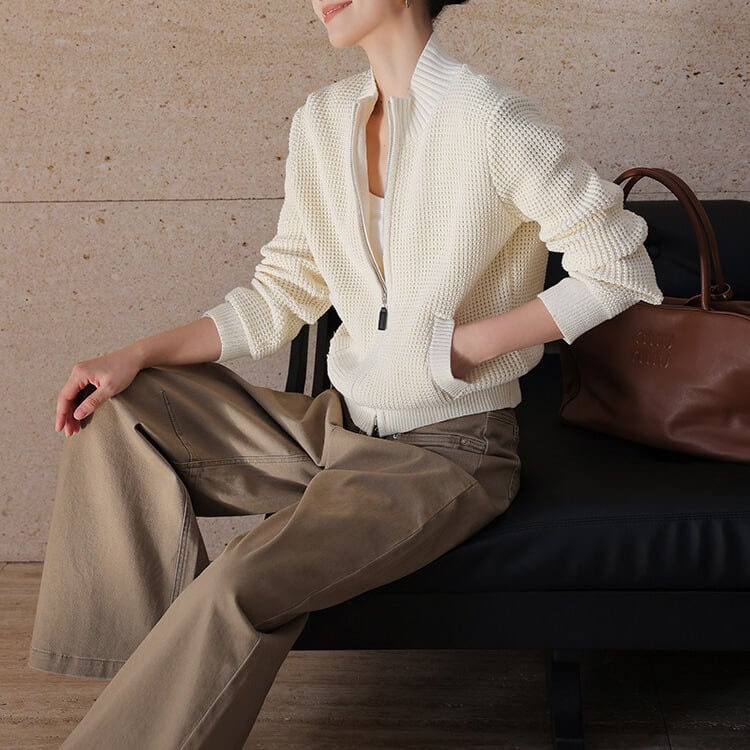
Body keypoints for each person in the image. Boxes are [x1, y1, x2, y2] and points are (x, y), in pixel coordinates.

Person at [29, 1, 662, 747]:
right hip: (338, 431)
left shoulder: (492, 120)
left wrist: (457, 349)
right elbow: (282, 292)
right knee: (120, 407)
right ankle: (147, 690)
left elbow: (620, 267)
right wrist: (136, 352)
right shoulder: (322, 121)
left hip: (447, 452)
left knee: (238, 584)